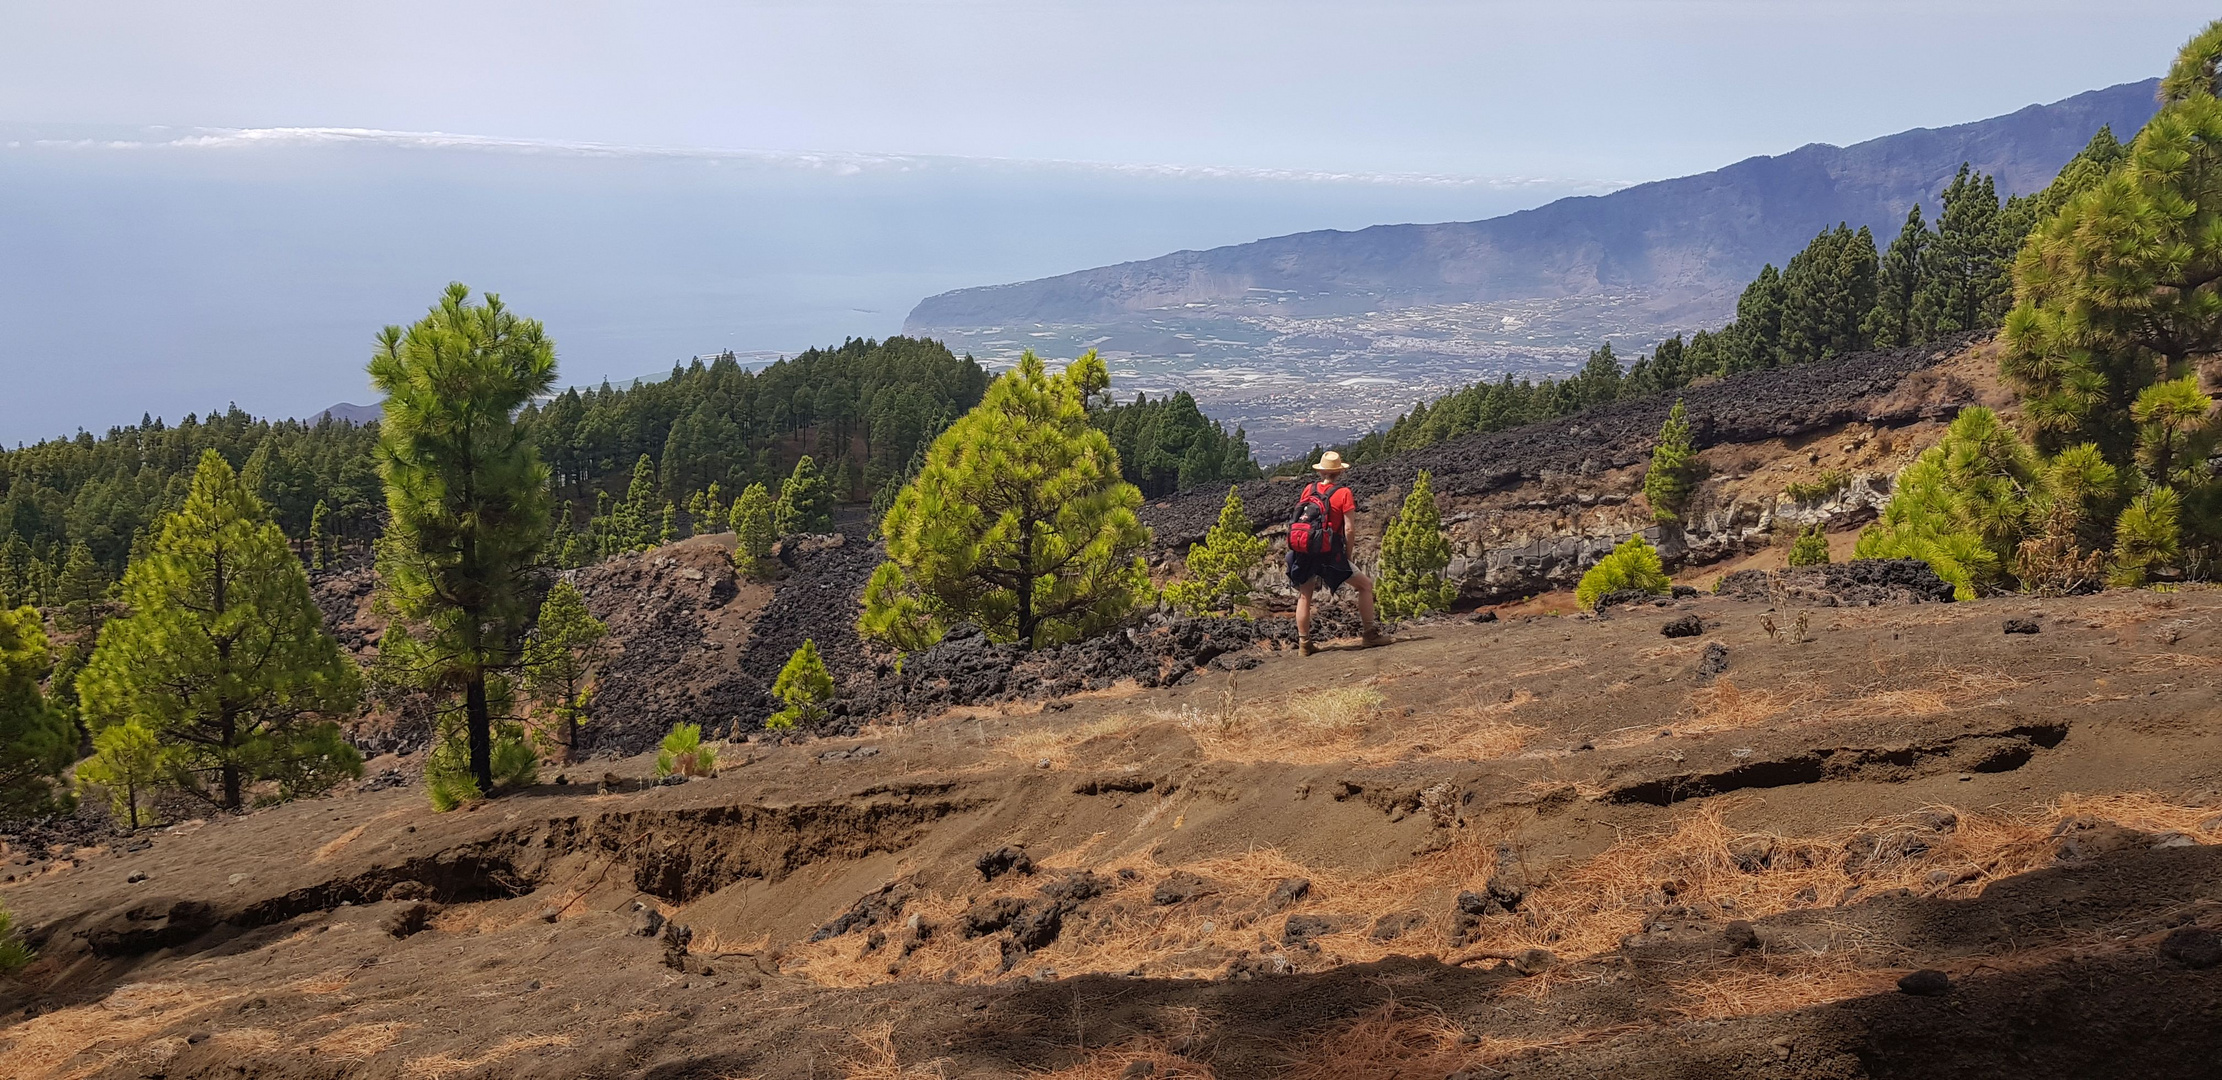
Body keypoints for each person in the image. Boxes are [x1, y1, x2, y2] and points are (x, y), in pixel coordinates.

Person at [1286, 451, 1390, 655]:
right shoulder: (1344, 493)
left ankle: (1304, 644)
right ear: (1339, 472)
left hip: (1306, 550)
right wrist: (1347, 555)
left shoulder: (1309, 489)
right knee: (1365, 586)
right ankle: (1370, 634)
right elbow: (1349, 529)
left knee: (1305, 595)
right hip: (1329, 552)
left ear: (1321, 471)